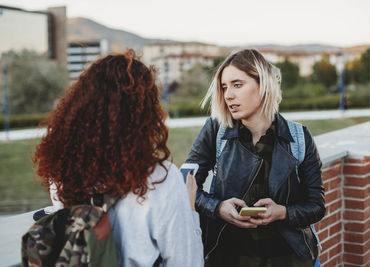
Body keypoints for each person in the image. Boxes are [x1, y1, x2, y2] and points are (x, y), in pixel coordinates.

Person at [32, 50, 203, 267]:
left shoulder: (63, 172)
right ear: (144, 113)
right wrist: (189, 209)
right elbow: (187, 263)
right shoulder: (162, 179)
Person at [185, 49, 325, 266]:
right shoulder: (216, 130)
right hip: (230, 256)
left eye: (237, 84)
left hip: (289, 258)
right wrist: (218, 208)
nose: (228, 95)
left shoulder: (299, 136)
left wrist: (283, 213)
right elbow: (184, 184)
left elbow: (316, 205)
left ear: (263, 85)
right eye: (224, 87)